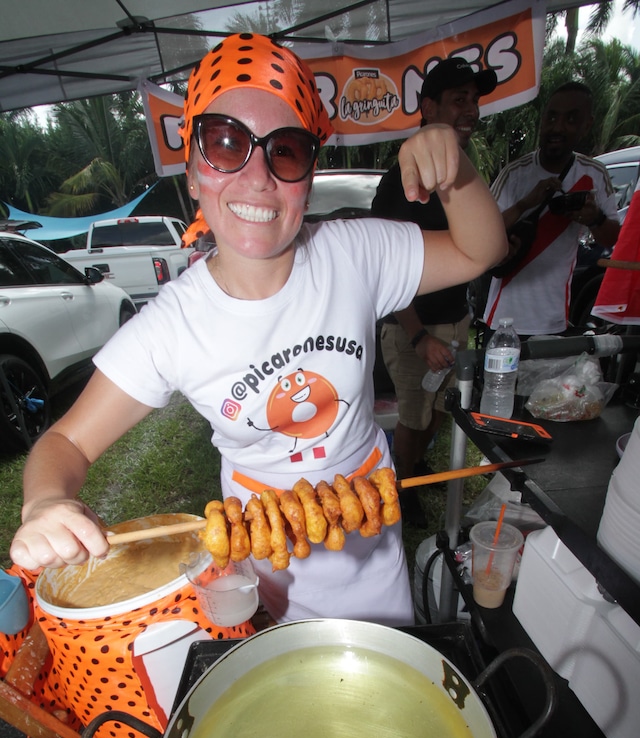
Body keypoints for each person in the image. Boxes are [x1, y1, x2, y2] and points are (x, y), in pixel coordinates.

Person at [9, 33, 506, 627]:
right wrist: (44, 501)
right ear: (192, 173)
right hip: (264, 567)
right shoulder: (174, 325)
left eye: (287, 151)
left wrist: (456, 172)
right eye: (226, 144)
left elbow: (483, 250)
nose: (258, 176)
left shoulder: (354, 254)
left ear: (307, 179)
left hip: (371, 544)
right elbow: (65, 444)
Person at [372, 58, 497, 526]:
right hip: (414, 330)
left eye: (475, 100)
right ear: (429, 107)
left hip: (455, 321)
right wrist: (420, 337)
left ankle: (415, 467)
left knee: (444, 406)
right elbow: (384, 271)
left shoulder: (459, 180)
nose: (471, 109)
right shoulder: (396, 185)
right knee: (413, 416)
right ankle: (401, 489)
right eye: (459, 100)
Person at [483, 81, 620, 336]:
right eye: (552, 117)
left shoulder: (594, 174)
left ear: (586, 124)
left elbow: (614, 239)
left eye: (570, 119)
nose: (557, 127)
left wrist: (596, 219)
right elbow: (481, 237)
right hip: (503, 319)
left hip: (554, 321)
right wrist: (526, 203)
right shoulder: (515, 173)